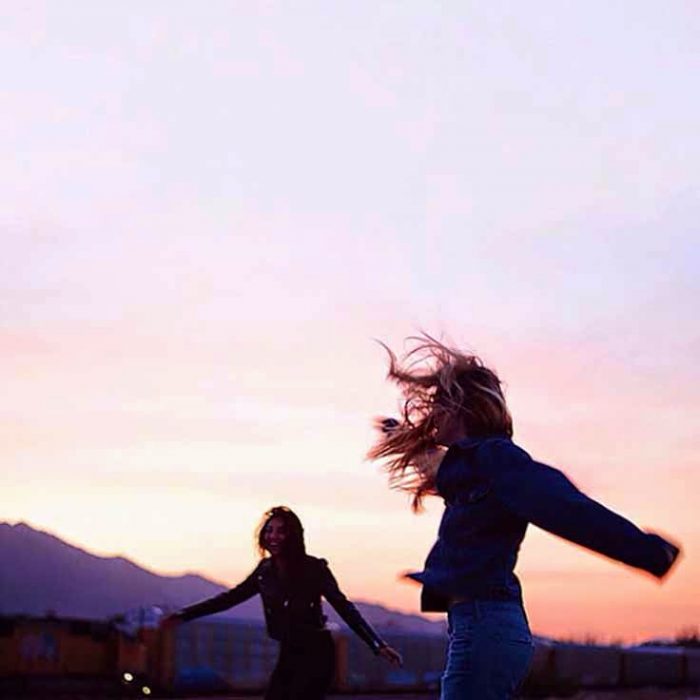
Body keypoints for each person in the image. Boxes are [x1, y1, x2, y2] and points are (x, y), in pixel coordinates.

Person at [368, 335, 681, 700]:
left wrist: (645, 551)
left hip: (487, 625)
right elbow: (436, 469)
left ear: (462, 408)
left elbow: (563, 506)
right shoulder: (471, 467)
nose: (431, 413)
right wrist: (398, 433)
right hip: (478, 624)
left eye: (440, 404)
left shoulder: (497, 458)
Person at [164, 506, 402, 700]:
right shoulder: (264, 571)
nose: (273, 537)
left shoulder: (314, 568)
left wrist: (377, 644)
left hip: (317, 652)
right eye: (269, 531)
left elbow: (344, 607)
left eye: (281, 531)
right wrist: (184, 615)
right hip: (289, 651)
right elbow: (228, 599)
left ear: (293, 535)